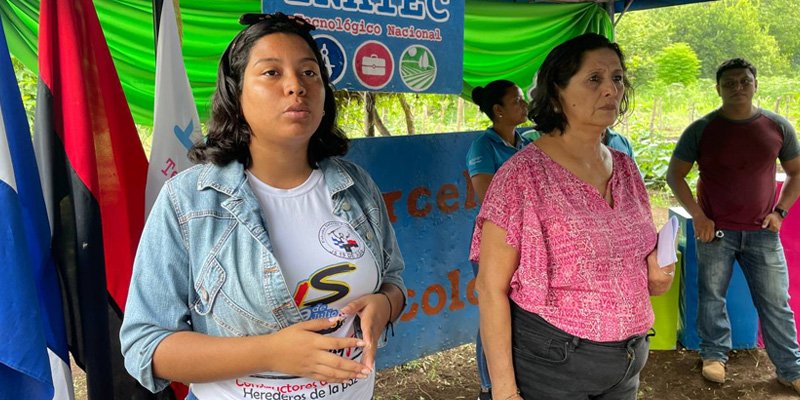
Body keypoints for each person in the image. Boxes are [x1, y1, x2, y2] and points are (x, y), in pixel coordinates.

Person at [120, 13, 406, 400]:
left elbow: (394, 279)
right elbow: (146, 346)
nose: (296, 87)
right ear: (236, 94)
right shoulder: (188, 200)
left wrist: (384, 304)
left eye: (309, 73)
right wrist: (271, 352)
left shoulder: (356, 186)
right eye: (271, 73)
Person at [470, 33, 675, 400]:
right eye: (594, 79)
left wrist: (654, 273)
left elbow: (636, 254)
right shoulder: (522, 177)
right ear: (557, 93)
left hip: (625, 364)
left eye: (617, 77)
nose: (611, 89)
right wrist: (503, 389)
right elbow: (489, 288)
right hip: (553, 367)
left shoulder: (626, 169)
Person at [666, 58, 800, 391]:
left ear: (755, 84)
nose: (737, 87)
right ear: (718, 88)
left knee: (775, 301)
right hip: (716, 233)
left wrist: (780, 212)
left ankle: (790, 368)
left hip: (763, 232)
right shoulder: (701, 129)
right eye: (730, 82)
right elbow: (674, 175)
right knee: (712, 297)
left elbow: (796, 171)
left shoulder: (777, 126)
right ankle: (713, 356)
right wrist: (698, 216)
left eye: (744, 81)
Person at [465, 79, 531, 399]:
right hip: (495, 245)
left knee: (517, 315)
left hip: (525, 243)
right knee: (493, 312)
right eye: (517, 101)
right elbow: (489, 201)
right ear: (498, 111)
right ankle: (489, 385)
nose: (524, 105)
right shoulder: (483, 147)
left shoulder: (527, 143)